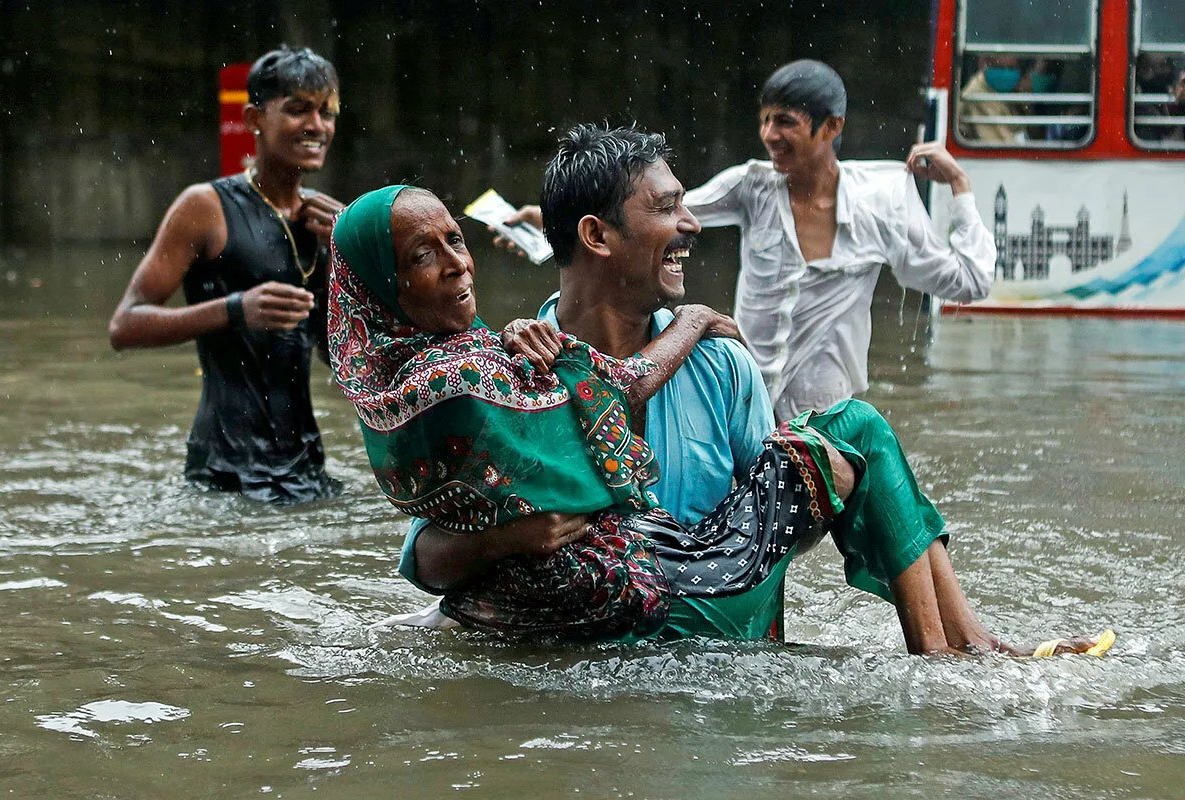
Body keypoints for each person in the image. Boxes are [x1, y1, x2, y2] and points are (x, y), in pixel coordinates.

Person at [398, 124, 1108, 657]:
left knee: (854, 435)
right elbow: (425, 557)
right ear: (597, 235)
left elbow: (770, 523)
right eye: (668, 208)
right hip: (589, 649)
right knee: (858, 431)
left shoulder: (722, 365)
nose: (692, 225)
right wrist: (513, 538)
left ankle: (965, 654)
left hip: (713, 644)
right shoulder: (509, 372)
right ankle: (965, 657)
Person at [327, 182, 842, 642]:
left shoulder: (400, 383)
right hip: (629, 619)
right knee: (850, 436)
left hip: (616, 623)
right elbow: (616, 390)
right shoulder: (462, 377)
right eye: (422, 255)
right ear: (596, 237)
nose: (457, 262)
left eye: (456, 239)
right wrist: (694, 320)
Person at [491, 61, 996, 420]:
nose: (769, 134)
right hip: (747, 408)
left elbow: (968, 280)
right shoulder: (753, 186)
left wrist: (960, 190)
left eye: (786, 122)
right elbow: (653, 221)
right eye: (765, 119)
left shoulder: (881, 203)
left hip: (826, 420)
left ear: (832, 127)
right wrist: (551, 224)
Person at [108, 46, 345, 503]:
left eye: (327, 112)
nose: (317, 126)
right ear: (254, 119)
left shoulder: (327, 219)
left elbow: (337, 359)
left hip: (308, 469)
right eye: (298, 110)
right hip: (224, 475)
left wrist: (343, 258)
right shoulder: (205, 207)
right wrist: (236, 309)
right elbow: (125, 326)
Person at [958, 55, 1027, 144]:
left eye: (1011, 68)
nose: (1006, 73)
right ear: (984, 64)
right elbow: (1001, 147)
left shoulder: (1009, 92)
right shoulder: (978, 95)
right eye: (999, 68)